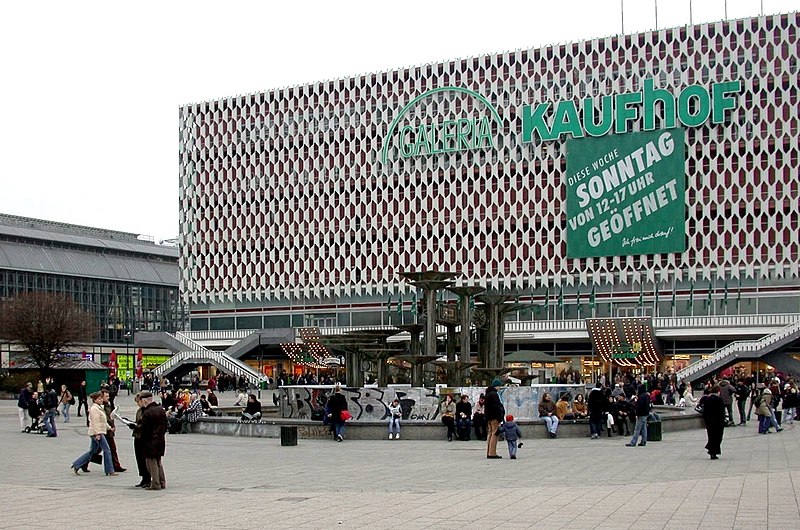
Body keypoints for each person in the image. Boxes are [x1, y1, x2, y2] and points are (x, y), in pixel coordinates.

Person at [71, 392, 117, 476]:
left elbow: (103, 421)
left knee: (93, 451)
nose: (101, 400)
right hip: (97, 433)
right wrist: (97, 434)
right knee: (107, 450)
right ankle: (110, 470)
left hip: (99, 432)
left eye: (101, 398)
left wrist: (109, 428)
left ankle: (77, 464)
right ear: (95, 400)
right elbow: (95, 422)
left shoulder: (99, 408)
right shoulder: (94, 409)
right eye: (99, 399)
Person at [139, 391, 167, 490]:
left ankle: (155, 483)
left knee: (151, 462)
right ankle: (162, 482)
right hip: (160, 439)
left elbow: (145, 430)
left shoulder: (147, 413)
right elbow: (165, 426)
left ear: (144, 400)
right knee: (158, 461)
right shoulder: (161, 409)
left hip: (150, 441)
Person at [100, 389, 127, 472]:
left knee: (110, 448)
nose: (108, 398)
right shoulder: (101, 406)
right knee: (98, 450)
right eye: (106, 396)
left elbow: (111, 417)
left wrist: (113, 425)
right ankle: (82, 463)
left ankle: (116, 465)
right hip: (104, 430)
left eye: (108, 396)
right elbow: (105, 419)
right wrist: (110, 427)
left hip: (109, 429)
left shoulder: (108, 405)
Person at [128, 393, 151, 488]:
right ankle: (143, 477)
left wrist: (136, 426)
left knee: (144, 458)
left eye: (138, 402)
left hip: (143, 437)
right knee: (139, 458)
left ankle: (147, 478)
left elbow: (145, 425)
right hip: (137, 436)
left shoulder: (147, 411)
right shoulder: (139, 411)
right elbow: (138, 422)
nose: (138, 404)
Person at [702, 385, 726, 459]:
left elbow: (704, 411)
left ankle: (711, 450)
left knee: (711, 436)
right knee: (718, 437)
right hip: (718, 422)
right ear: (718, 392)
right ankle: (713, 451)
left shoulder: (707, 399)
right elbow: (721, 412)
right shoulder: (719, 400)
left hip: (709, 422)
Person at [484, 379, 505, 459]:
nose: (500, 388)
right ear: (497, 386)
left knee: (490, 433)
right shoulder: (494, 394)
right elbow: (497, 407)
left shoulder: (488, 393)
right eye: (499, 386)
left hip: (488, 417)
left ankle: (488, 451)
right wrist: (500, 418)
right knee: (495, 434)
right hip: (494, 417)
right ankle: (492, 453)